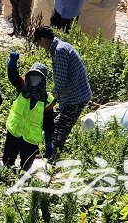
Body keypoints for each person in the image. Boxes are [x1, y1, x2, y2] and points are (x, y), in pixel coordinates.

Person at [33, 26, 91, 158]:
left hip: (75, 97)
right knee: (54, 123)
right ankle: (52, 153)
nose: (40, 46)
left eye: (38, 42)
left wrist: (53, 98)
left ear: (43, 39)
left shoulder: (60, 51)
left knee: (59, 128)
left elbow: (60, 80)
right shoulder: (62, 46)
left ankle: (52, 157)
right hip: (74, 95)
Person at [4, 54, 55, 170]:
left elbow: (49, 124)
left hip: (30, 140)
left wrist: (48, 142)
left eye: (38, 76)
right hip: (14, 132)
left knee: (26, 167)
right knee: (7, 162)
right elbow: (13, 76)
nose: (34, 79)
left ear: (43, 79)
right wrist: (12, 62)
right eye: (32, 75)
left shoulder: (47, 100)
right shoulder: (22, 88)